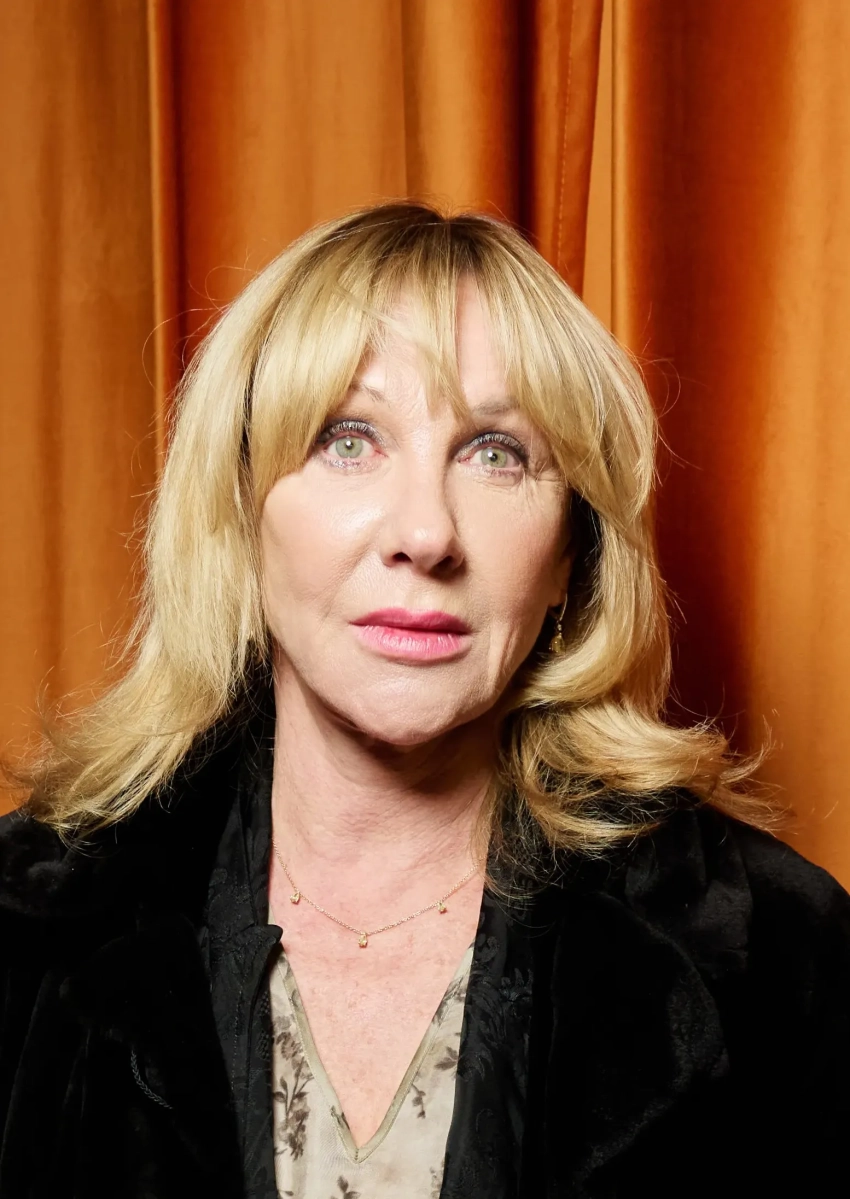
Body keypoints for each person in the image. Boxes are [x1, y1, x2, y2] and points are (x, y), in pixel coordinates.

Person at [1, 201, 849, 1199]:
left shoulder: (778, 955)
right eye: (348, 438)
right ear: (241, 510)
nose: (426, 533)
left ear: (570, 553)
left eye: (496, 453)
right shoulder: (32, 924)